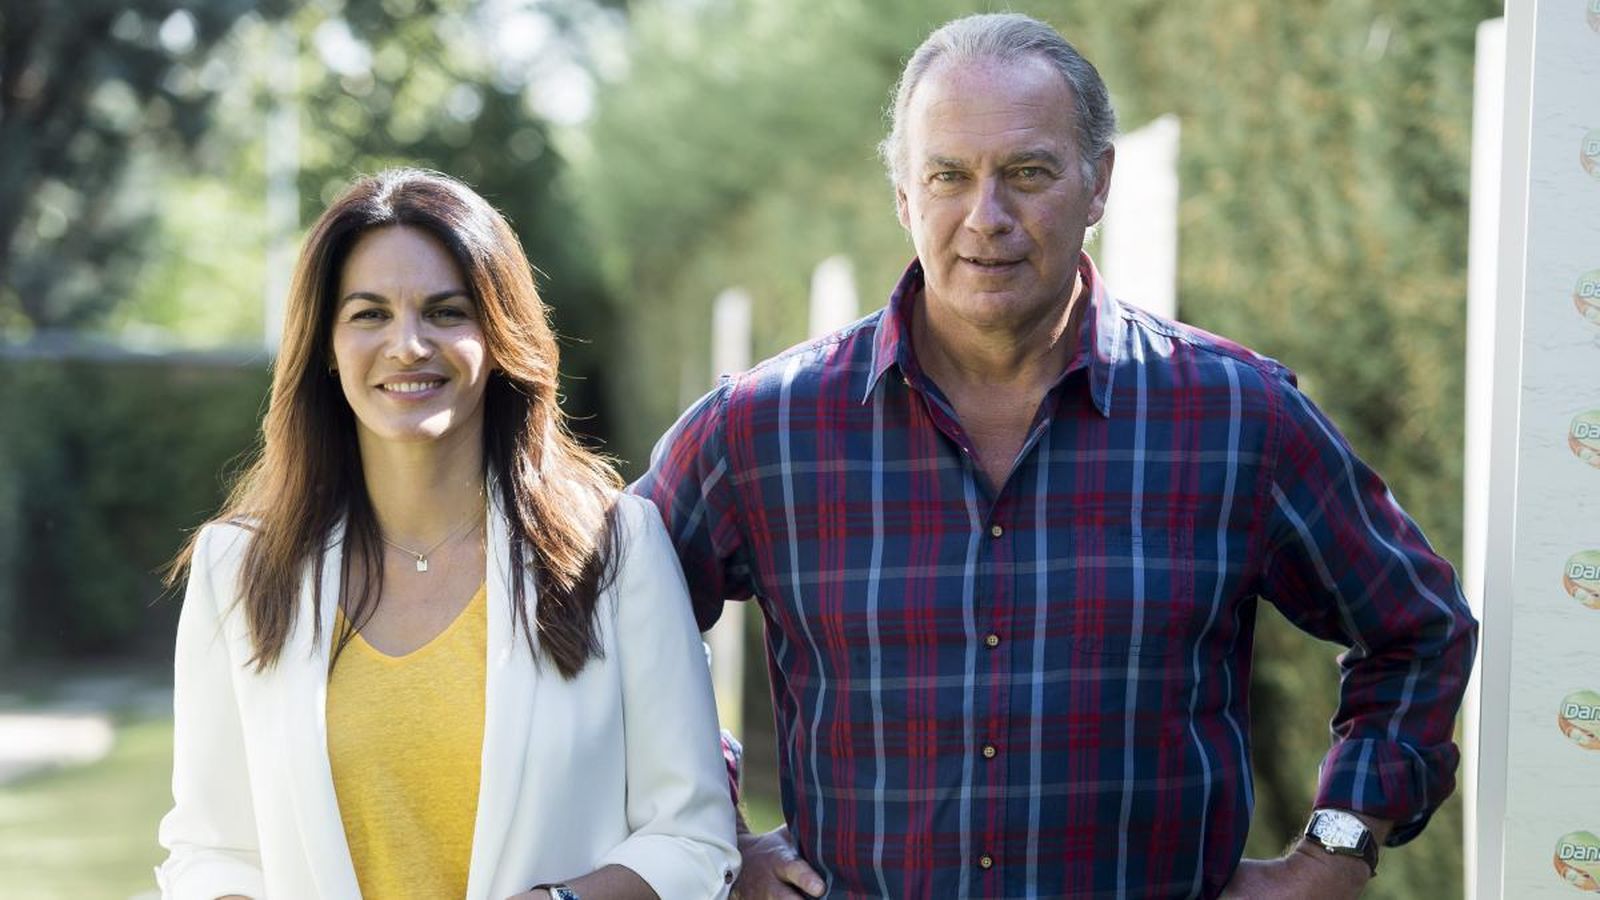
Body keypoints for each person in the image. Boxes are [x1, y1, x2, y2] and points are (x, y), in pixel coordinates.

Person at [632, 13, 1477, 899]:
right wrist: (713, 836)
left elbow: (1416, 629)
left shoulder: (1237, 417)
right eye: (948, 176)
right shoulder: (761, 431)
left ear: (1098, 181)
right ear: (903, 196)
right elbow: (609, 629)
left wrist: (1335, 852)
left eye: (1028, 173)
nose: (986, 218)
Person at [157, 169, 738, 900]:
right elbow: (210, 850)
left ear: (498, 337)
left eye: (445, 312)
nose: (407, 345)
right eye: (369, 314)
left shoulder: (617, 547)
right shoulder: (238, 569)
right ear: (326, 347)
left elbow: (693, 838)